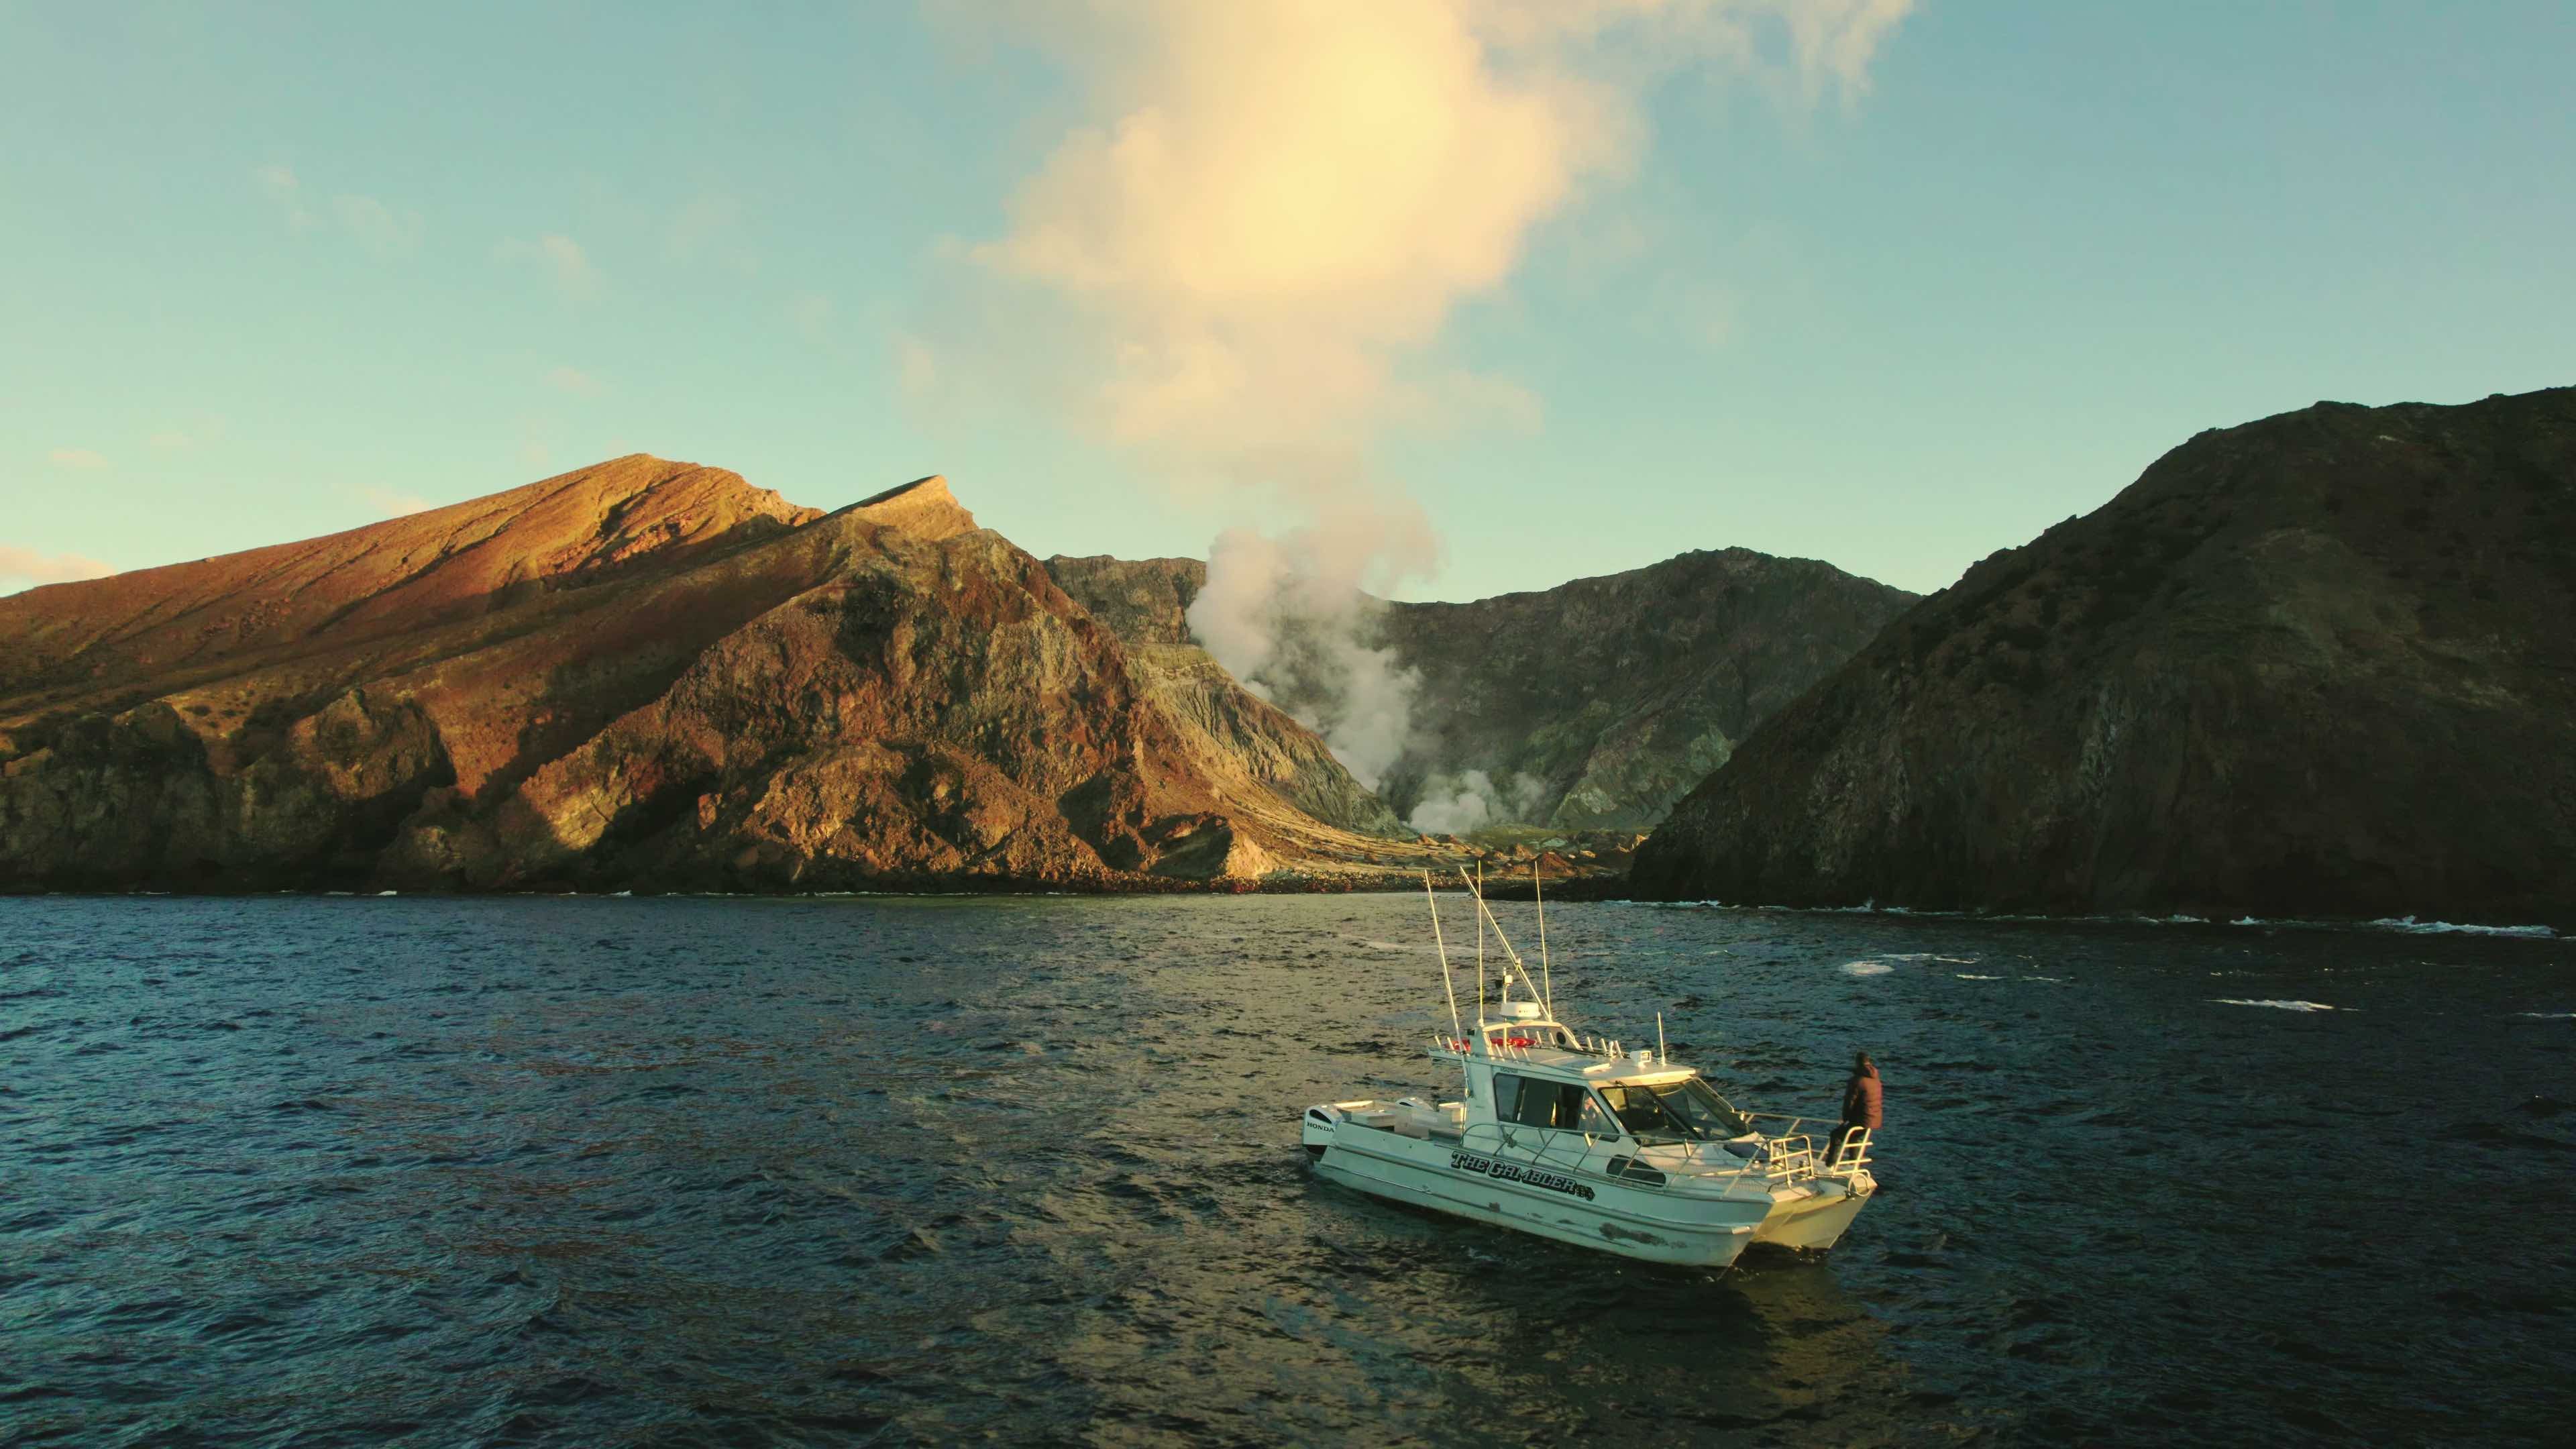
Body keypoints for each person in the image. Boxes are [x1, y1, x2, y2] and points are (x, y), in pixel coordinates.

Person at [1832, 1051, 1882, 1165]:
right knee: (1855, 1138)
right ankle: (1853, 1165)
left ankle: (1830, 1164)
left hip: (1861, 1118)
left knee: (1836, 1135)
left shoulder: (1857, 1080)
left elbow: (1849, 1102)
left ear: (1857, 1063)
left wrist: (1846, 1119)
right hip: (1873, 1119)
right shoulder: (1876, 1080)